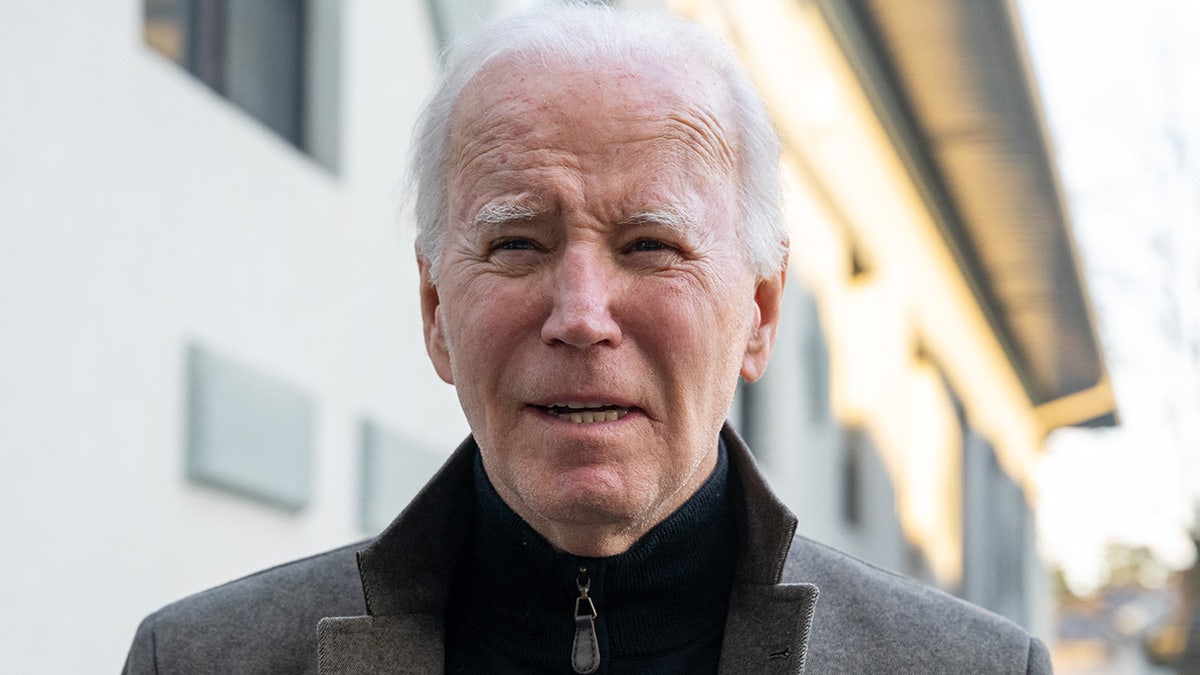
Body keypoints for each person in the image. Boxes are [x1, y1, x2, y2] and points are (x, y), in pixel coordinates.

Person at [123, 5, 1053, 674]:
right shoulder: (204, 658)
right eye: (516, 242)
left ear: (760, 313)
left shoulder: (973, 667)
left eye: (650, 246)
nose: (578, 314)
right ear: (435, 310)